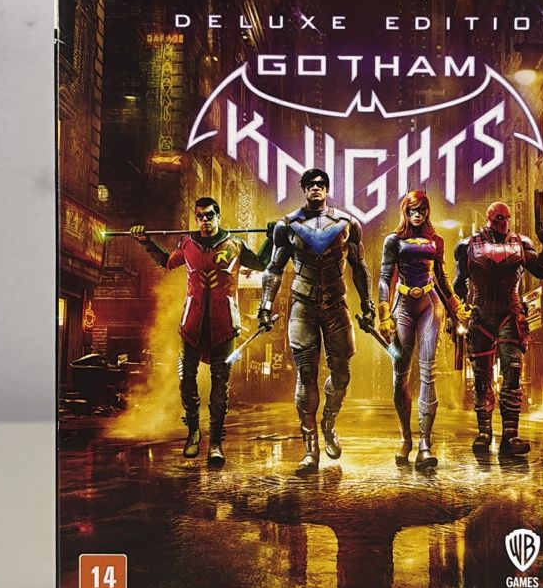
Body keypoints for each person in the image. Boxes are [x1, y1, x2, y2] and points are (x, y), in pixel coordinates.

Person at [130, 199, 271, 466]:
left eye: (209, 216)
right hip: (192, 325)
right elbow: (166, 261)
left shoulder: (235, 245)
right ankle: (193, 431)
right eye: (200, 217)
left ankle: (215, 442)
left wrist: (273, 238)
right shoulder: (187, 243)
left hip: (224, 326)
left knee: (220, 387)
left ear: (218, 216)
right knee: (186, 380)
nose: (204, 221)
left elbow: (262, 263)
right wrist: (146, 241)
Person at [257, 169, 375, 474]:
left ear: (327, 189)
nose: (316, 188)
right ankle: (310, 450)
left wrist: (368, 304)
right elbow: (274, 269)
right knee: (306, 373)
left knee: (341, 374)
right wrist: (265, 305)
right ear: (304, 189)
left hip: (336, 304)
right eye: (310, 185)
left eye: (321, 184)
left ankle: (329, 423)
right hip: (303, 305)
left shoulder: (347, 224)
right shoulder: (287, 226)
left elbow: (359, 267)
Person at [454, 201, 543, 461]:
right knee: (481, 377)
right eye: (498, 217)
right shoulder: (468, 246)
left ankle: (510, 435)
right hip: (481, 314)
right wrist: (456, 315)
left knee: (512, 373)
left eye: (506, 217)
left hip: (510, 313)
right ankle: (484, 432)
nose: (503, 221)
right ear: (489, 218)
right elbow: (458, 285)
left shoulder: (521, 243)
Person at [378, 190, 470, 470]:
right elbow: (384, 278)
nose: (417, 215)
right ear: (405, 212)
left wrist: (457, 308)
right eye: (412, 210)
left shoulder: (436, 241)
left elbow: (441, 278)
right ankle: (406, 438)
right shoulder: (393, 241)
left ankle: (424, 445)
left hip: (430, 304)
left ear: (427, 211)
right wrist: (384, 315)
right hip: (403, 305)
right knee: (400, 376)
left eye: (421, 210)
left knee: (428, 373)